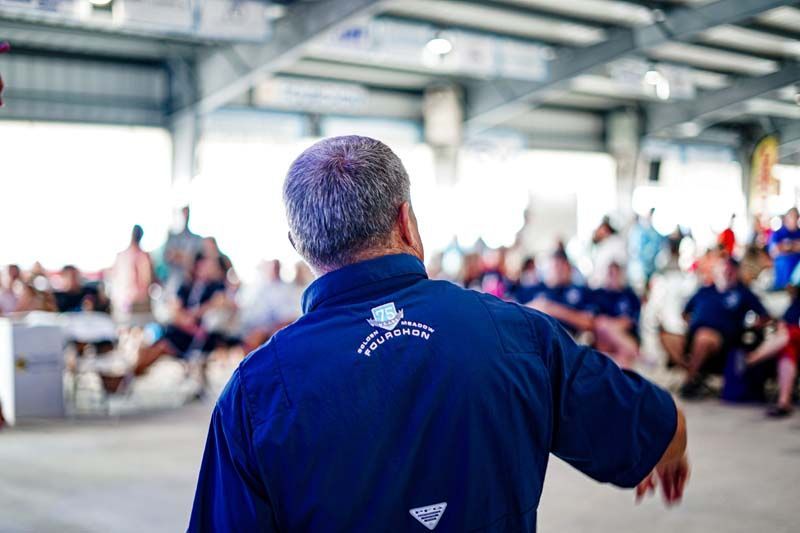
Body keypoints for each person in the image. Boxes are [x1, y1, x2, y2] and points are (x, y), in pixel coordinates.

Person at [189, 136, 688, 532]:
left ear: (300, 245)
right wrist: (664, 445)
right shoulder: (516, 334)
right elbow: (662, 431)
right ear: (407, 221)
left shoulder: (255, 393)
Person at [680, 256, 770, 399]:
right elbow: (685, 313)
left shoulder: (743, 292)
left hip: (723, 339)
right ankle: (696, 373)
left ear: (736, 271)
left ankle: (689, 381)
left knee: (704, 337)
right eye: (723, 268)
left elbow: (764, 316)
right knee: (667, 335)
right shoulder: (705, 290)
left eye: (730, 269)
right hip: (693, 333)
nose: (726, 272)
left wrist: (754, 326)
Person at [135, 255, 229, 375]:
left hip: (195, 337)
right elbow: (175, 308)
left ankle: (128, 377)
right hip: (180, 328)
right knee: (144, 346)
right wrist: (185, 319)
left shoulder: (216, 287)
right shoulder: (187, 286)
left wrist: (189, 317)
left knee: (161, 347)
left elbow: (215, 306)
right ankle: (129, 376)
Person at [745, 286, 800, 418]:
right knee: (787, 349)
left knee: (787, 334)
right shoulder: (796, 303)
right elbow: (785, 321)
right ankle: (783, 402)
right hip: (792, 344)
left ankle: (753, 358)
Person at [527, 251, 596, 337]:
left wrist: (552, 309)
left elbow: (588, 322)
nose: (559, 270)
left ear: (569, 268)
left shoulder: (581, 291)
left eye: (563, 266)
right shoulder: (536, 289)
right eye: (556, 266)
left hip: (569, 339)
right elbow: (520, 312)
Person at [592, 262, 641, 369]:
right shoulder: (598, 294)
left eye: (616, 273)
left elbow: (629, 321)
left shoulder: (630, 295)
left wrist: (608, 326)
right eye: (610, 273)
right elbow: (594, 321)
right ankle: (634, 352)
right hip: (603, 340)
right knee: (601, 325)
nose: (613, 277)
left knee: (604, 325)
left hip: (625, 337)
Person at [109, 225, 154, 322]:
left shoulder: (121, 256)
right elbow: (147, 279)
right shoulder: (143, 256)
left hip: (120, 302)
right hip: (136, 303)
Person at [589, 217, 627, 289]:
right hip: (600, 288)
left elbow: (617, 267)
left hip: (612, 288)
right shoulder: (601, 246)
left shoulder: (617, 244)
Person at [768, 207, 800, 290]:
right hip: (783, 266)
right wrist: (791, 246)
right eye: (791, 217)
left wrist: (787, 246)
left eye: (796, 217)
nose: (793, 220)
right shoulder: (778, 233)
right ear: (786, 218)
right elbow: (773, 251)